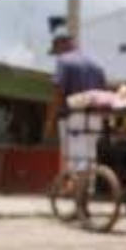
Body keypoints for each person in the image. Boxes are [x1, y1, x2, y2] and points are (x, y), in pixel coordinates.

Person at [45, 31, 107, 175]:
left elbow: (58, 92)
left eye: (56, 50)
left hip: (73, 116)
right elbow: (103, 92)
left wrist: (50, 121)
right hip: (95, 117)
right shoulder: (96, 63)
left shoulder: (63, 61)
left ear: (61, 44)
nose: (57, 55)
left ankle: (76, 188)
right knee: (90, 155)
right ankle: (88, 189)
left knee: (74, 156)